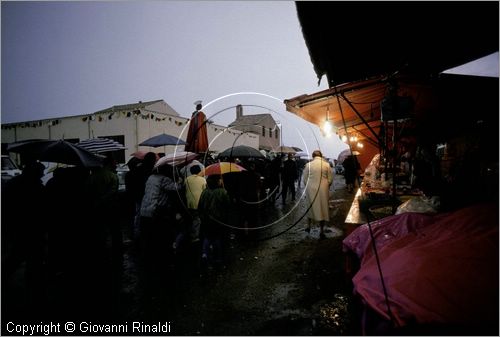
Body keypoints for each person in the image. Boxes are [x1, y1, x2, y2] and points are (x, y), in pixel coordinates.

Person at [198, 174, 231, 272]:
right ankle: (218, 260)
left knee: (207, 237)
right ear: (217, 181)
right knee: (217, 239)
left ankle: (205, 255)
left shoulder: (204, 192)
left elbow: (200, 206)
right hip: (219, 221)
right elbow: (227, 207)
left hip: (206, 220)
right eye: (220, 180)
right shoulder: (223, 192)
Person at [302, 150, 333, 239]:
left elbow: (305, 179)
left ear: (313, 156)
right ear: (321, 156)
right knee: (323, 207)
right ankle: (321, 230)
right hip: (323, 188)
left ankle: (308, 226)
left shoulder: (308, 165)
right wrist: (326, 185)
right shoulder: (326, 165)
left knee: (310, 206)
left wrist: (309, 186)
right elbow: (330, 179)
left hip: (311, 189)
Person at [184, 165, 207, 242]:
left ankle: (190, 233)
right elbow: (205, 191)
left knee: (192, 218)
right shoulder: (203, 180)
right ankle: (195, 236)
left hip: (189, 203)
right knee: (197, 220)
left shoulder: (187, 179)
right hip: (199, 203)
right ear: (199, 171)